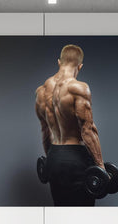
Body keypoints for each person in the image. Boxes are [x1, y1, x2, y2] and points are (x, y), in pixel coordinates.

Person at [35, 44, 107, 206]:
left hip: (54, 157)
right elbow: (88, 130)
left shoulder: (41, 91)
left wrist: (51, 159)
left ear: (59, 62)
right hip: (76, 158)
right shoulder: (79, 88)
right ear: (79, 66)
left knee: (61, 213)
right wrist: (101, 168)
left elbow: (45, 131)